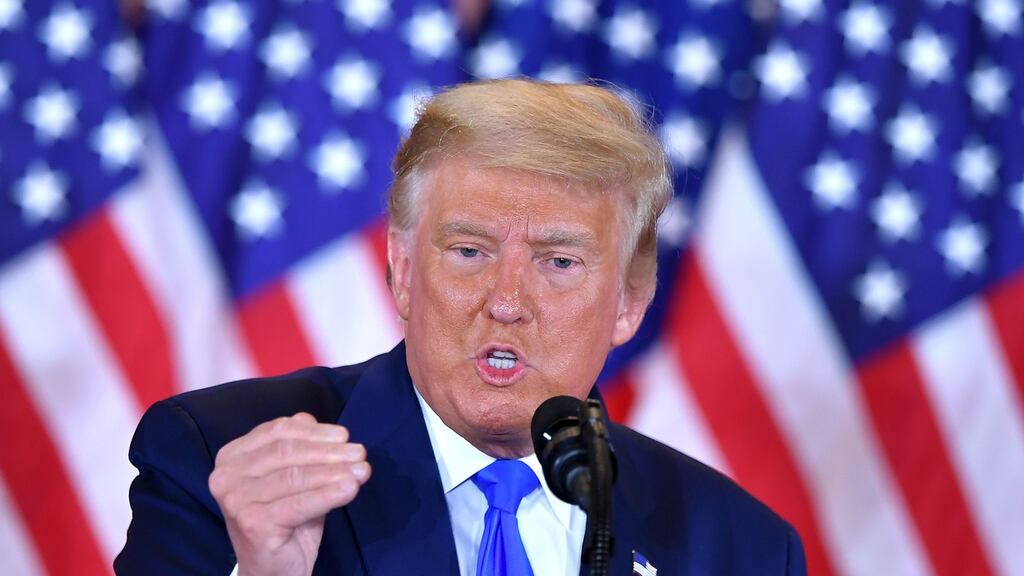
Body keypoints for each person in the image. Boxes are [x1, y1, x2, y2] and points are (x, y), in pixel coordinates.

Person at [115, 79, 806, 576]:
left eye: (559, 261)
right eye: (469, 251)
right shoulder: (215, 463)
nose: (506, 302)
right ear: (403, 271)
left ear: (629, 301)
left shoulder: (738, 547)